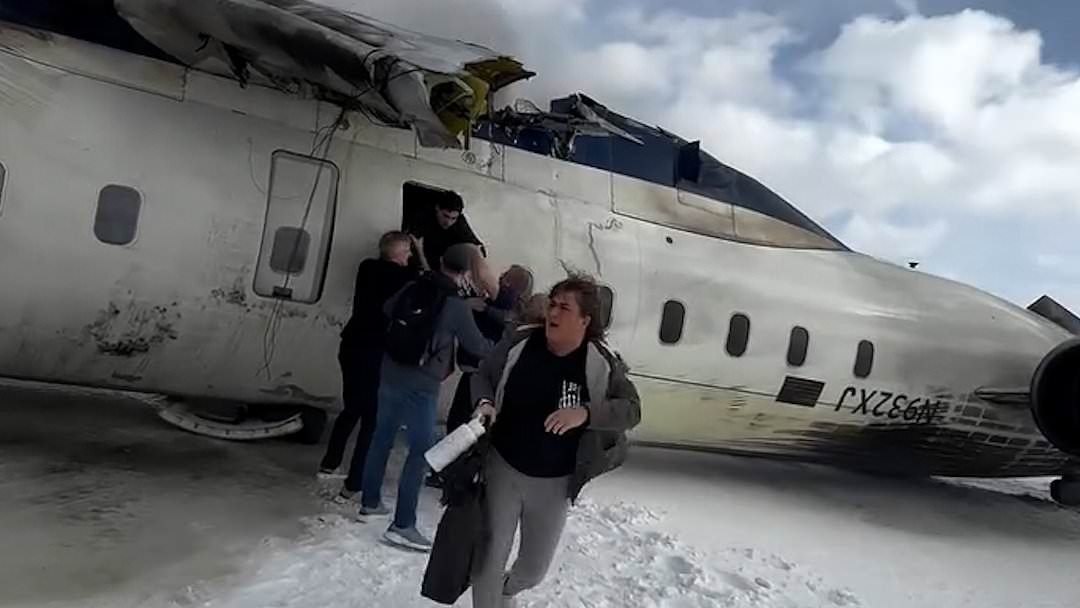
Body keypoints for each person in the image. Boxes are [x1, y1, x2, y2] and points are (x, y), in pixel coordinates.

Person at [469, 274, 642, 608]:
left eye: (565, 307)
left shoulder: (601, 362)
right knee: (489, 560)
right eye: (552, 304)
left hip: (554, 483)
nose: (554, 312)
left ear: (584, 320)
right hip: (503, 467)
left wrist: (586, 413)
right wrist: (484, 402)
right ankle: (489, 597)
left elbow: (632, 410)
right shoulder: (519, 342)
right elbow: (483, 376)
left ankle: (505, 592)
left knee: (533, 571)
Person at [359, 243, 494, 552]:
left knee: (382, 437)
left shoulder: (413, 284)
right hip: (421, 384)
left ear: (442, 260)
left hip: (390, 371)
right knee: (421, 452)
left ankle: (369, 502)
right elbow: (477, 345)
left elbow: (387, 309)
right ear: (467, 272)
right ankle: (403, 525)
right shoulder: (456, 305)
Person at [319, 231, 418, 489]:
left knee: (352, 408)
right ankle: (356, 479)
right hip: (374, 353)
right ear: (397, 253)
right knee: (372, 418)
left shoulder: (367, 268)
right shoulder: (405, 278)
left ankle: (330, 462)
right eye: (407, 250)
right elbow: (422, 278)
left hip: (352, 345)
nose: (410, 255)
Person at [446, 264, 536, 434]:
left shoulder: (513, 312)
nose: (501, 278)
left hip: (481, 373)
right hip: (475, 370)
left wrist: (485, 308)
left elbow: (509, 320)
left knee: (462, 423)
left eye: (507, 277)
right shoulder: (495, 303)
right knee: (460, 422)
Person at [406, 194, 498, 298]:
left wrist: (468, 270)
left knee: (475, 250)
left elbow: (477, 246)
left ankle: (493, 296)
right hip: (429, 262)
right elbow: (414, 246)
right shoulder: (423, 217)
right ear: (437, 208)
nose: (448, 222)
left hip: (450, 258)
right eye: (445, 216)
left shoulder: (459, 221)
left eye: (453, 218)